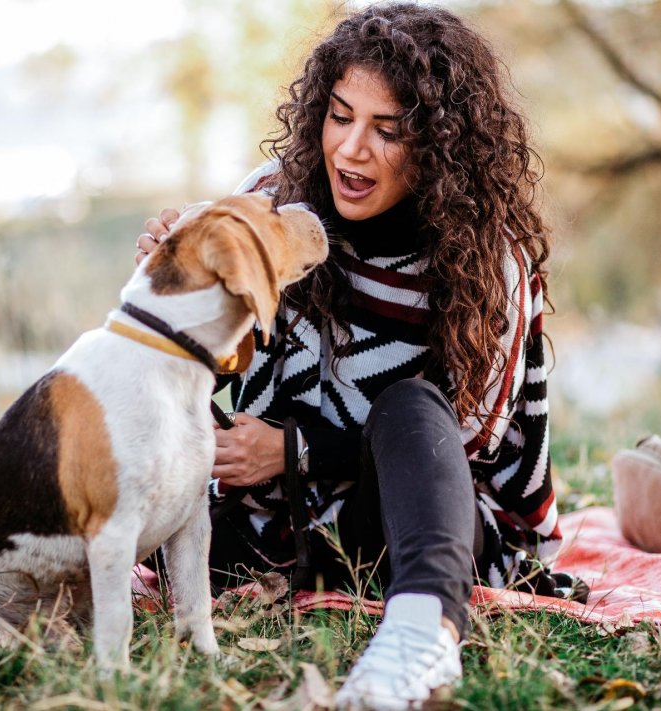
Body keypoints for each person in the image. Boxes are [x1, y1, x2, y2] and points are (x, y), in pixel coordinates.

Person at [136, 3, 586, 708]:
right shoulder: (275, 203)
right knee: (97, 407)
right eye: (341, 116)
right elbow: (213, 357)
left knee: (410, 404)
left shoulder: (489, 257)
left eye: (387, 130)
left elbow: (466, 440)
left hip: (423, 523)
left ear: (439, 142)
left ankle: (420, 637)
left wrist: (297, 449)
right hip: (279, 520)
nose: (350, 149)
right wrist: (178, 278)